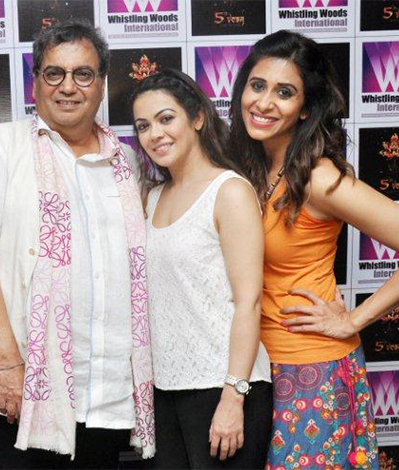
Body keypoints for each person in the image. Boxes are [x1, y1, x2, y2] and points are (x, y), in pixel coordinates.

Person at [227, 31, 399, 469]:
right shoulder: (250, 167)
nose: (264, 103)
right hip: (257, 366)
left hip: (311, 370)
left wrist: (353, 319)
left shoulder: (319, 178)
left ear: (306, 109)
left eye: (284, 92)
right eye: (257, 86)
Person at [0, 20, 154, 468]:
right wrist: (8, 364)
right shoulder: (0, 147)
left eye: (83, 74)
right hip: (25, 391)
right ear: (35, 82)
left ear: (102, 84)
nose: (68, 87)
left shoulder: (126, 163)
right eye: (54, 73)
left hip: (106, 395)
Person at [131, 69, 273, 469]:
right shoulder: (151, 197)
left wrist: (233, 396)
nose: (155, 134)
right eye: (143, 126)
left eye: (165, 118)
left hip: (223, 386)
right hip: (165, 388)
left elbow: (249, 302)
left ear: (197, 117)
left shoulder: (229, 191)